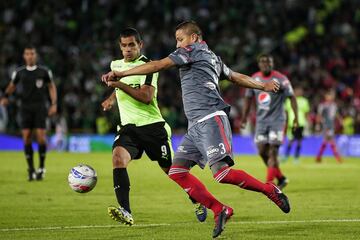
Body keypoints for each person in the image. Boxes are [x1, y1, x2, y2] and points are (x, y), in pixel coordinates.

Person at [102, 21, 290, 239]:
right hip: (195, 125)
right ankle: (220, 209)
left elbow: (159, 65)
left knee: (221, 173)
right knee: (177, 172)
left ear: (194, 37)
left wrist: (121, 75)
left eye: (180, 39)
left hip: (211, 117)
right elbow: (235, 76)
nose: (177, 44)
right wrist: (261, 84)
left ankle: (270, 190)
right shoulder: (213, 57)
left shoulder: (191, 51)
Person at [101, 28, 206, 226]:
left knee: (173, 172)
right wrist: (111, 98)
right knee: (117, 159)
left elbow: (146, 97)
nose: (127, 49)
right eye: (124, 45)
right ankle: (126, 211)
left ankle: (197, 200)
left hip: (152, 128)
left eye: (132, 44)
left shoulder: (149, 67)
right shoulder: (115, 65)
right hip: (127, 128)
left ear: (140, 45)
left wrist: (118, 86)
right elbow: (121, 83)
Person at [241, 54, 298, 190]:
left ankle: (269, 184)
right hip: (261, 122)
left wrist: (295, 117)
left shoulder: (281, 79)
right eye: (263, 62)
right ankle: (281, 177)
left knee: (273, 152)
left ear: (273, 64)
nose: (266, 64)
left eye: (269, 62)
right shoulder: (254, 79)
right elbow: (248, 99)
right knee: (262, 151)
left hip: (277, 120)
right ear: (259, 64)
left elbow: (292, 97)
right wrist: (244, 117)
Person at [0, 46, 57, 181]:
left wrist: (54, 104)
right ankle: (31, 169)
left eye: (32, 53)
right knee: (26, 137)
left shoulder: (44, 72)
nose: (30, 56)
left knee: (41, 138)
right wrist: (5, 96)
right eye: (27, 54)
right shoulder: (19, 72)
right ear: (24, 56)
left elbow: (51, 87)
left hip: (40, 108)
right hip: (25, 108)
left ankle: (41, 167)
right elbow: (12, 85)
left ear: (35, 56)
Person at [283, 86, 310, 163]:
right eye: (297, 90)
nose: (299, 92)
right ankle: (286, 156)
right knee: (291, 140)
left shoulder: (305, 101)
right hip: (291, 123)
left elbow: (306, 113)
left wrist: (307, 122)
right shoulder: (289, 100)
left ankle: (296, 157)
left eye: (300, 91)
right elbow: (286, 112)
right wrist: (286, 122)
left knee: (299, 141)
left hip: (301, 123)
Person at [315, 91, 342, 163]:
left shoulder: (334, 106)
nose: (330, 97)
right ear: (326, 97)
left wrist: (340, 120)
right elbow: (319, 116)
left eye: (331, 96)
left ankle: (318, 157)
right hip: (326, 125)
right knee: (330, 140)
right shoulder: (322, 106)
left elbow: (336, 115)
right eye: (329, 96)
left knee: (326, 140)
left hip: (331, 125)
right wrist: (317, 125)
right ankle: (338, 158)